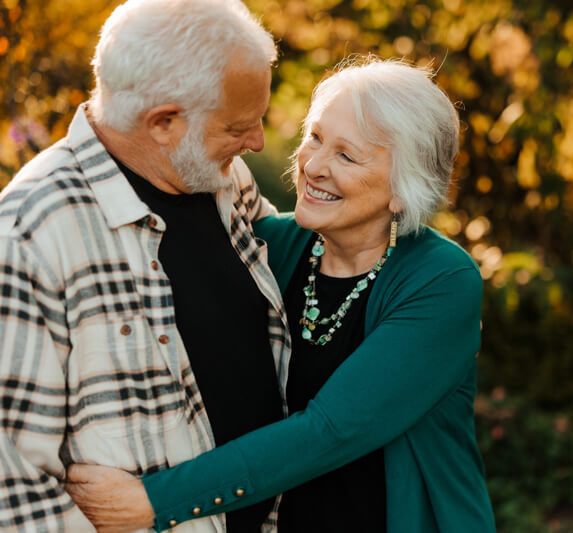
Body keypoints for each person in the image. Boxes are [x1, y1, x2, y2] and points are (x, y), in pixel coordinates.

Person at [65, 58, 496, 532]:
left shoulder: (440, 280)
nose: (314, 166)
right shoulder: (272, 244)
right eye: (314, 137)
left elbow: (331, 430)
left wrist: (153, 501)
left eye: (346, 156)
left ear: (403, 189)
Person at [0, 0, 290, 531]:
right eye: (238, 127)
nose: (257, 142)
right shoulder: (29, 236)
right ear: (163, 123)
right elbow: (15, 492)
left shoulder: (222, 178)